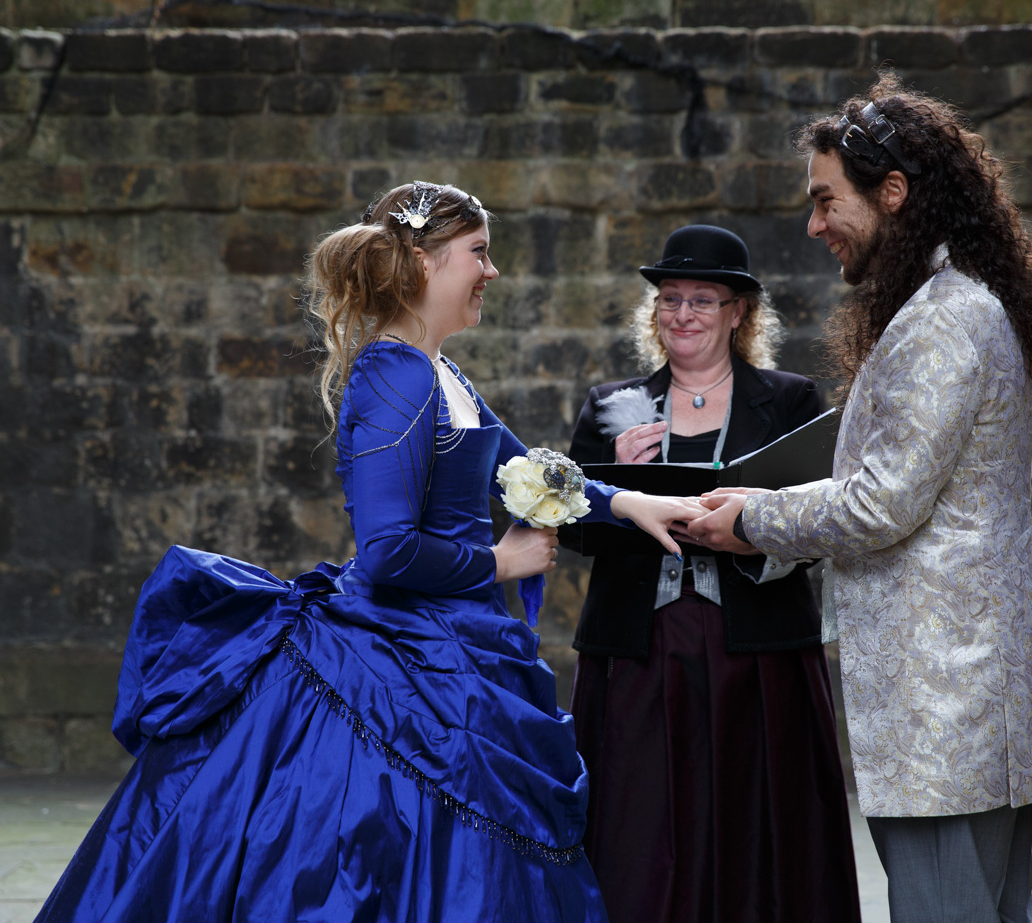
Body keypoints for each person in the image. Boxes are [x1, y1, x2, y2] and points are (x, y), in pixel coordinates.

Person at [35, 181, 706, 923]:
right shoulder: (395, 375)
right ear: (421, 264)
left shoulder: (442, 372)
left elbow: (531, 473)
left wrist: (635, 502)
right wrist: (499, 563)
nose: (493, 272)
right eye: (479, 254)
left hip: (461, 640)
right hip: (407, 655)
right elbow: (387, 553)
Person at [686, 76, 1032, 923]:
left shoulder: (943, 319)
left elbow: (880, 505)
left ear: (892, 193)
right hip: (974, 696)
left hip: (947, 701)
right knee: (1002, 911)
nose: (814, 224)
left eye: (828, 200)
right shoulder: (956, 306)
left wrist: (752, 517)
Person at [563, 224, 861, 923]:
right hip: (638, 646)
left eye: (703, 299)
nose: (683, 314)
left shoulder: (789, 400)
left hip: (755, 648)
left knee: (758, 815)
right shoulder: (612, 406)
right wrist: (620, 491)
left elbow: (821, 520)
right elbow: (570, 526)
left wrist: (756, 528)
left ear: (739, 313)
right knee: (639, 822)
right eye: (670, 299)